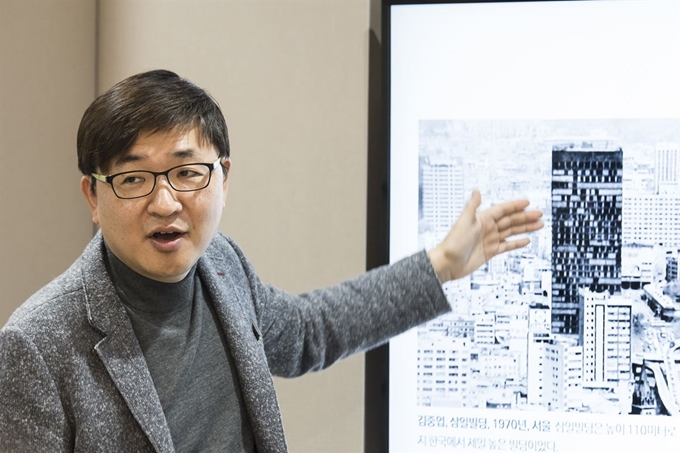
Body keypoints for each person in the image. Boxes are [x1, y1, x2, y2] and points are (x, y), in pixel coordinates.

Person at [0, 69, 543, 452]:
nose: (165, 203)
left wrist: (442, 263)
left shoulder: (221, 263)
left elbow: (308, 331)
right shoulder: (36, 345)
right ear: (94, 197)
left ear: (223, 178)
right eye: (134, 178)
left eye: (187, 173)